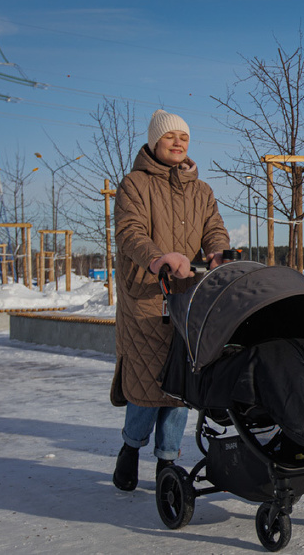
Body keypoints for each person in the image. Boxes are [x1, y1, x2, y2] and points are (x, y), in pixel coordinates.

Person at [111, 109, 231, 491]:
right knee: (147, 386)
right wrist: (157, 258)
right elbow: (129, 232)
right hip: (146, 298)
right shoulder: (134, 184)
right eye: (169, 137)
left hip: (188, 297)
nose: (178, 143)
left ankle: (167, 460)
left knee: (181, 387)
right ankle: (131, 447)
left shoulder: (201, 190)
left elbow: (214, 229)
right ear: (153, 142)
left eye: (184, 137)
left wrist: (218, 253)